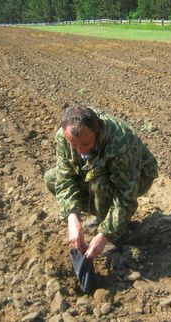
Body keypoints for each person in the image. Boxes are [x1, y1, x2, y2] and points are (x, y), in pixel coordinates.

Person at [44, 103, 158, 259]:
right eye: (74, 145)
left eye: (85, 144)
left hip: (139, 177)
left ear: (97, 132)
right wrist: (72, 217)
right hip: (98, 171)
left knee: (99, 181)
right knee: (51, 178)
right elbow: (65, 179)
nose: (81, 151)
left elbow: (125, 196)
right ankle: (102, 216)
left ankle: (115, 234)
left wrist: (105, 235)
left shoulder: (121, 142)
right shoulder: (64, 136)